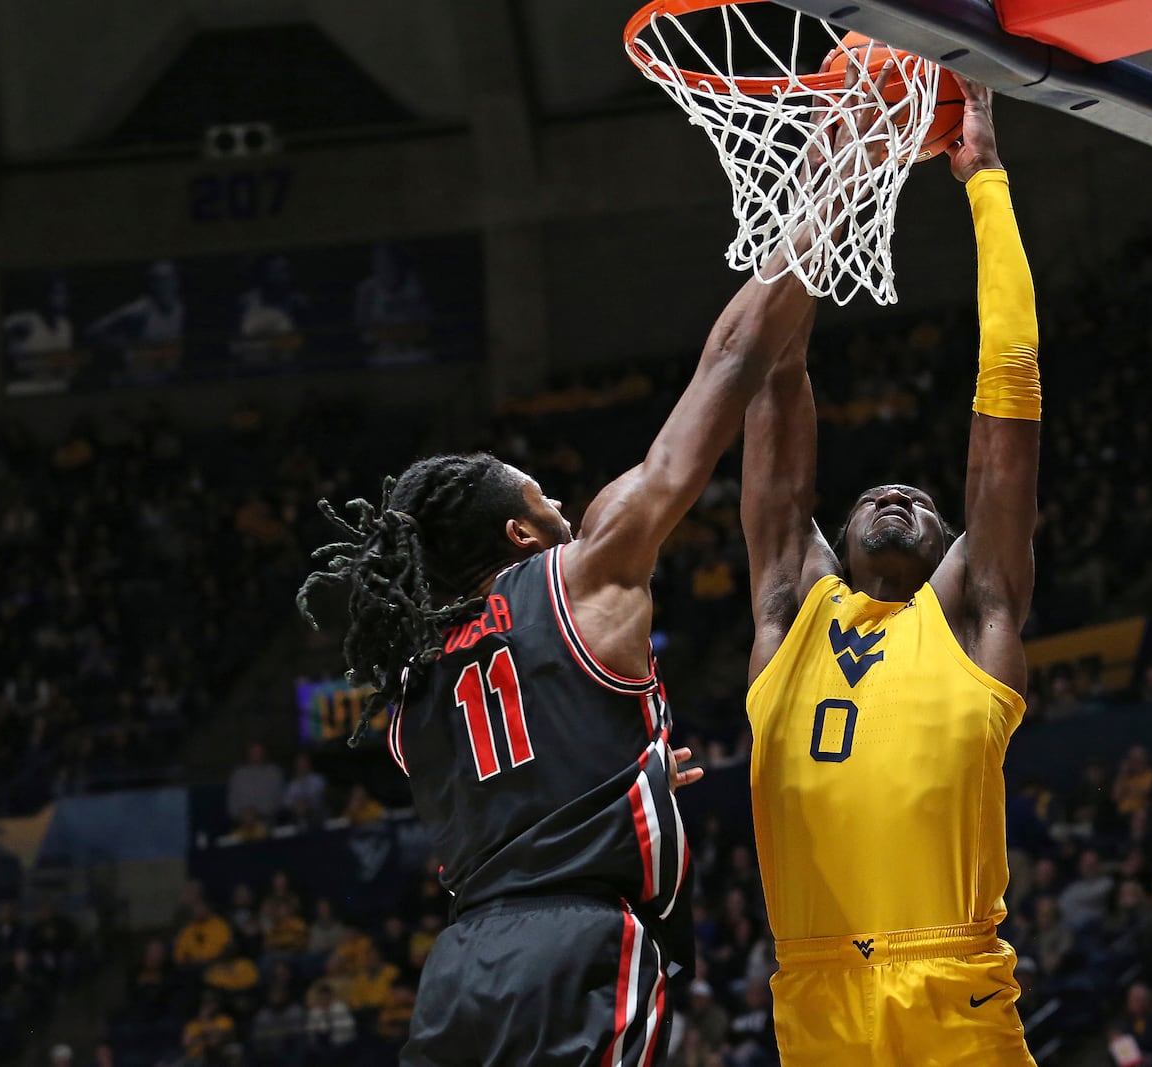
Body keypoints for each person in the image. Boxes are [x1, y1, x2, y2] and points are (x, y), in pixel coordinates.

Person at [296, 66, 893, 1067]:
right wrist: (843, 172)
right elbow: (727, 367)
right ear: (522, 536)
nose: (565, 507)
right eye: (543, 500)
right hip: (574, 940)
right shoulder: (580, 572)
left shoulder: (409, 688)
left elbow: (510, 765)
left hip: (459, 968)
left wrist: (624, 773)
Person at [740, 72, 1042, 1064]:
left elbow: (1007, 401)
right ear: (832, 528)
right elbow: (774, 373)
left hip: (946, 976)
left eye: (921, 500)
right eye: (876, 494)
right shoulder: (790, 601)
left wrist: (986, 182)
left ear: (955, 547)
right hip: (815, 990)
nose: (899, 497)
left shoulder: (971, 614)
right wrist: (826, 183)